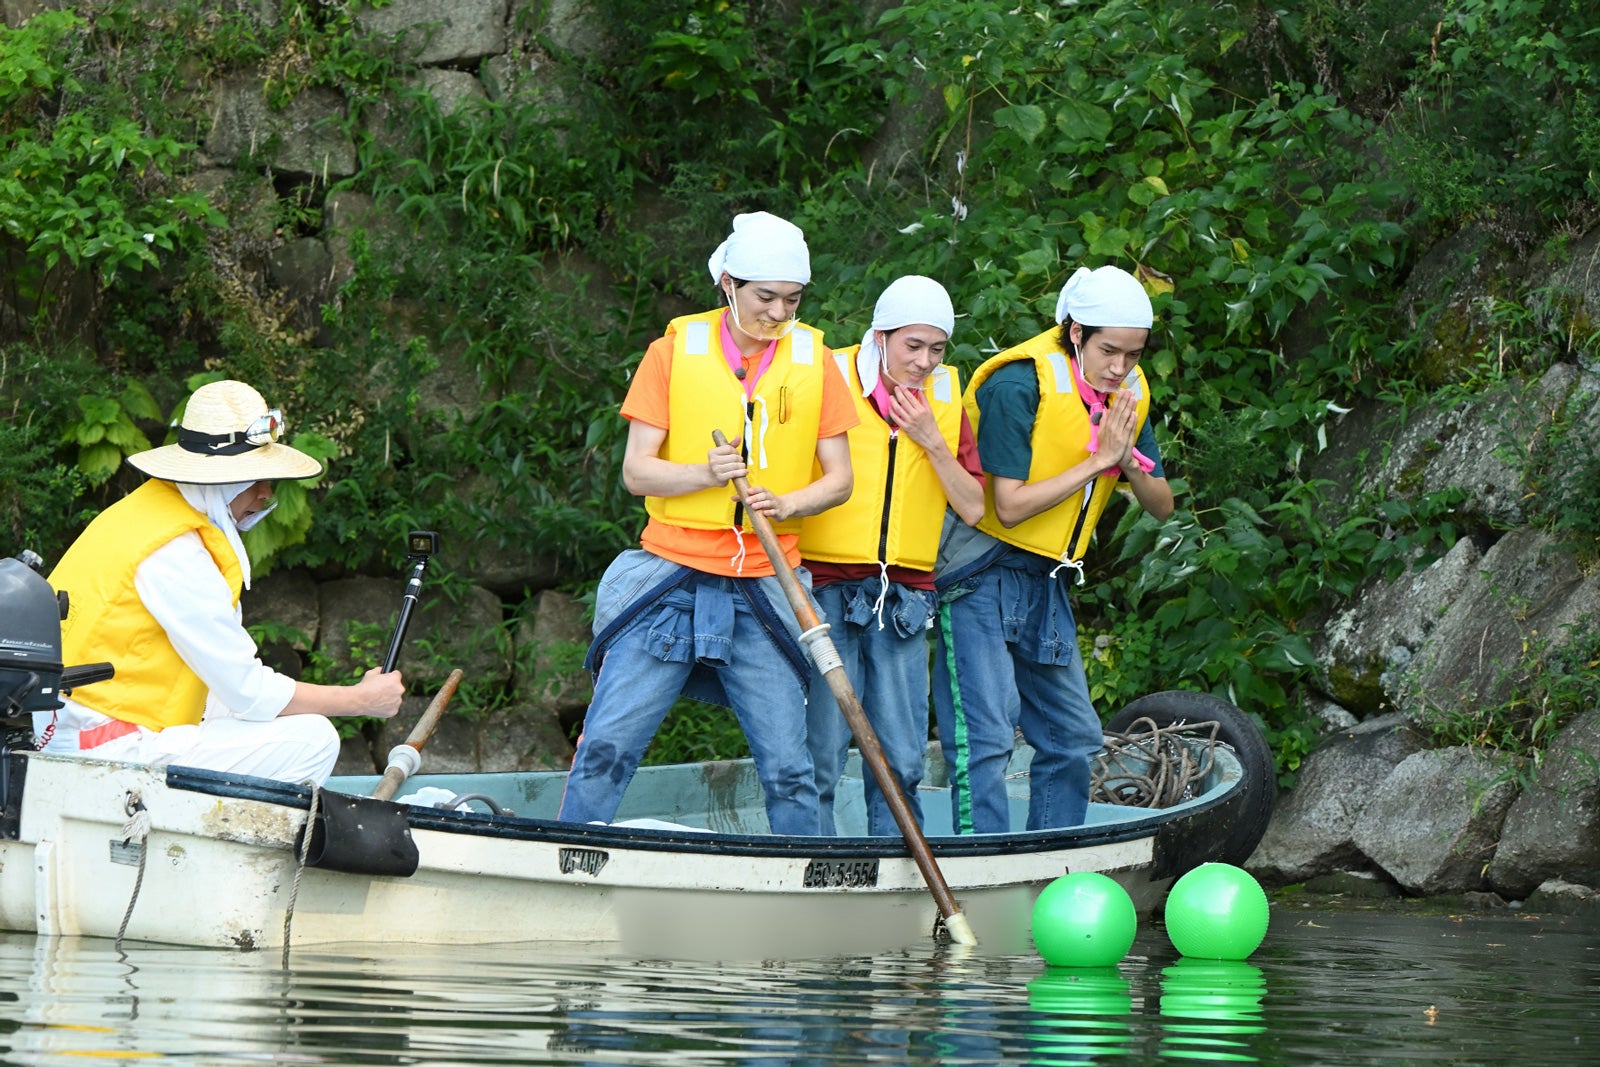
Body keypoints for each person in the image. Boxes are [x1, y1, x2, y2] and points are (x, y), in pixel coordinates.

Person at [557, 211, 858, 835]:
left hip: (766, 578)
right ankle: (568, 856)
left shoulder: (815, 359)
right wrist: (706, 473)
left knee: (789, 765)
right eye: (764, 298)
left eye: (792, 300)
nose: (778, 313)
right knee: (607, 746)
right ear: (728, 284)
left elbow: (840, 479)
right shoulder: (671, 353)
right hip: (670, 572)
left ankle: (805, 882)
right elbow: (638, 473)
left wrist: (792, 503)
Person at [37, 379, 405, 784]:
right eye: (255, 478)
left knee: (241, 713)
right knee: (314, 738)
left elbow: (229, 690)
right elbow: (248, 691)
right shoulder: (176, 551)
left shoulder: (144, 513)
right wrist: (359, 699)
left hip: (77, 723)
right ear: (221, 477)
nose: (266, 492)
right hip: (100, 744)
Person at [931, 265, 1174, 834]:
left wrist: (1126, 461)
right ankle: (981, 868)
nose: (1120, 368)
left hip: (1047, 578)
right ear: (1074, 333)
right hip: (980, 569)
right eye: (1109, 351)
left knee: (1073, 738)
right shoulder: (1018, 384)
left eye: (1133, 356)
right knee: (986, 737)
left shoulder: (1128, 394)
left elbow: (1161, 505)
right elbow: (1008, 507)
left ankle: (1052, 865)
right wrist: (1098, 460)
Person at [798, 276, 985, 836]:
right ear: (880, 337)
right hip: (825, 588)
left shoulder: (947, 399)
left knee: (902, 760)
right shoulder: (824, 374)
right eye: (913, 345)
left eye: (937, 348)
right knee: (822, 754)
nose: (925, 361)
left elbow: (974, 507)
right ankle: (813, 869)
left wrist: (931, 439)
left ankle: (895, 877)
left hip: (904, 599)